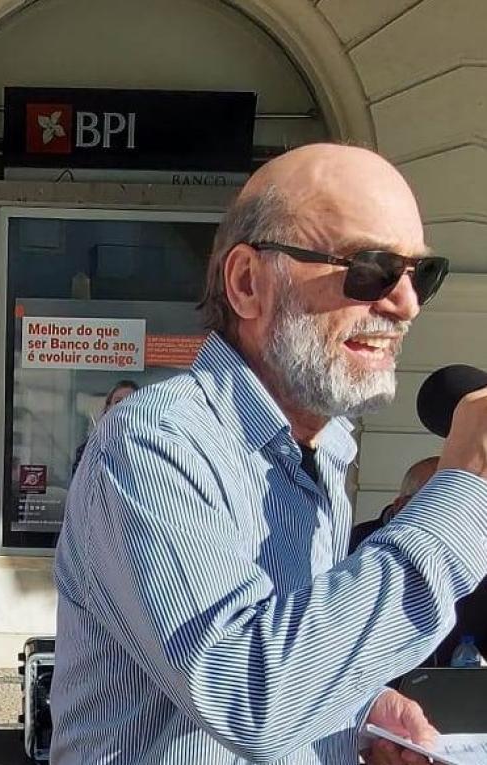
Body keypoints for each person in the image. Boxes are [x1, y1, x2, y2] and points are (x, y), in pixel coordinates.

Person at [52, 143, 487, 765]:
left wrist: (361, 707)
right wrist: (465, 486)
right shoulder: (155, 443)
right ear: (248, 283)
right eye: (370, 269)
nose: (405, 304)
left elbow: (288, 637)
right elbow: (251, 694)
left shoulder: (324, 445)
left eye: (422, 274)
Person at [351, 456, 487, 667]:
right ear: (401, 506)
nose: (452, 517)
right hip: (377, 684)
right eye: (438, 504)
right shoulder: (355, 546)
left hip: (457, 681)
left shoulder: (475, 552)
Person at [71, 379, 139, 474]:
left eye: (130, 401)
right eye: (118, 401)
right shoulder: (91, 448)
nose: (123, 406)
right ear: (108, 407)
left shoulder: (150, 447)